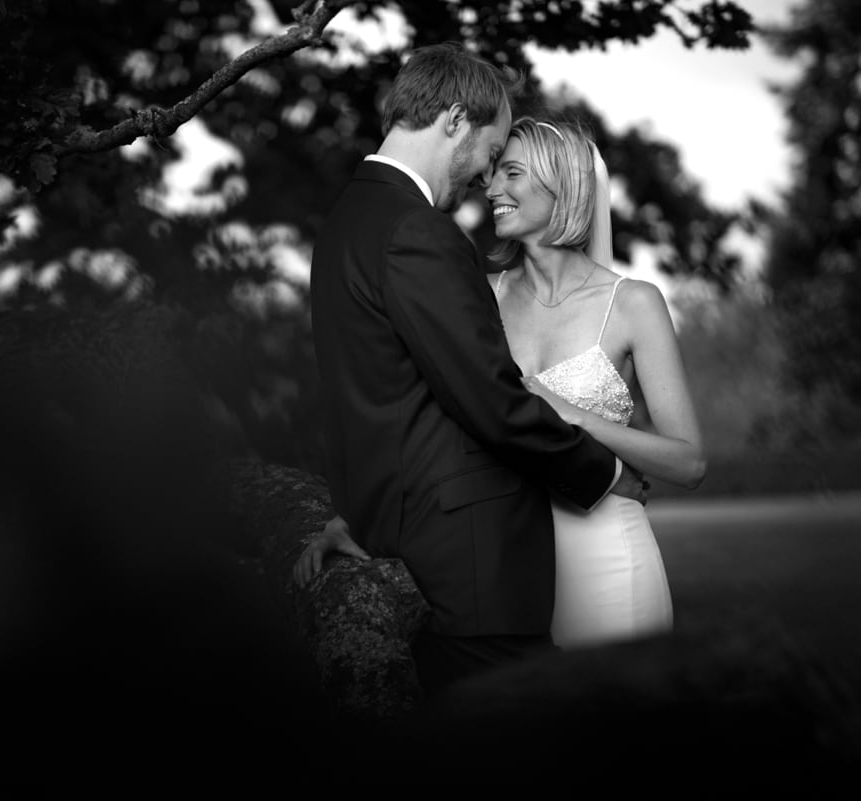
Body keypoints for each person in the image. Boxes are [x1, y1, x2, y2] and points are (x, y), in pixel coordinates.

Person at [301, 43, 645, 702]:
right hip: (474, 567)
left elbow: (366, 397)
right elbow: (490, 397)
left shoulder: (347, 220)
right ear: (456, 119)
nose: (485, 179)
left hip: (412, 541)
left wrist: (357, 513)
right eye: (491, 153)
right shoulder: (416, 230)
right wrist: (604, 473)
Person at [483, 116, 704, 646]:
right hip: (512, 569)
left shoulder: (634, 303)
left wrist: (576, 416)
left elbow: (688, 461)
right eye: (493, 174)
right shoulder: (481, 299)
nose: (492, 189)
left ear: (562, 183)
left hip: (611, 564)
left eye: (512, 173)